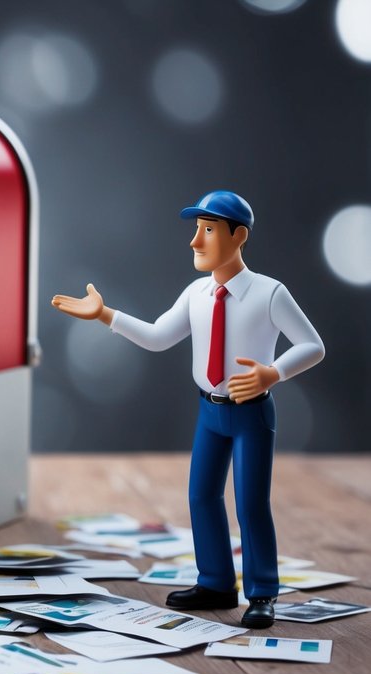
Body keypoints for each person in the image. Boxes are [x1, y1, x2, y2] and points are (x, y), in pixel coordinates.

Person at [51, 190, 324, 628]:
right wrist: (106, 315)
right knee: (201, 496)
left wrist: (273, 373)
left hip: (251, 412)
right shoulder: (197, 293)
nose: (195, 241)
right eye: (196, 230)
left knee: (251, 503)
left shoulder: (270, 293)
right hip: (210, 413)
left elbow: (313, 345)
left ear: (238, 235)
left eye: (208, 230)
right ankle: (216, 581)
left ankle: (262, 593)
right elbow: (159, 336)